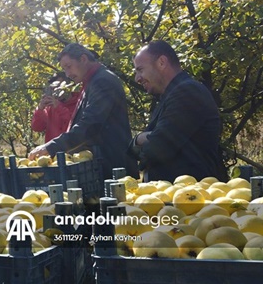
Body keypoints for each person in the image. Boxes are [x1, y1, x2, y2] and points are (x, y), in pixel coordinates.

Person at [29, 43, 138, 180]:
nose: (68, 74)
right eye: (64, 69)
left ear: (83, 59)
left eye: (69, 67)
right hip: (102, 166)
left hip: (113, 168)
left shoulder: (102, 81)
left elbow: (91, 125)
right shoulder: (91, 82)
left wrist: (52, 147)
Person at [128, 40, 223, 182]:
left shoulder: (188, 92)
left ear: (162, 62)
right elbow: (134, 151)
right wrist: (142, 139)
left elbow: (157, 148)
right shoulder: (169, 95)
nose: (137, 78)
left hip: (190, 197)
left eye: (140, 70)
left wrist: (140, 138)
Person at [31, 72, 80, 143]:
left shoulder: (79, 102)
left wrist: (59, 107)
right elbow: (37, 127)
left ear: (68, 86)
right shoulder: (50, 107)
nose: (56, 90)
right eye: (53, 88)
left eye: (59, 87)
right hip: (54, 152)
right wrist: (40, 109)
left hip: (75, 150)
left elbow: (75, 125)